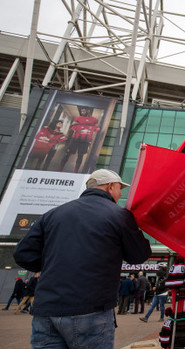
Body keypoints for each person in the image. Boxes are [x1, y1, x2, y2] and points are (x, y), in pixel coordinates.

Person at [13, 168, 152, 348]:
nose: (120, 194)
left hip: (46, 310)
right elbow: (138, 255)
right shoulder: (118, 215)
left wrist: (56, 264)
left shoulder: (53, 214)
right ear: (110, 187)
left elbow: (22, 254)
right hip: (91, 310)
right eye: (119, 189)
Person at [58, 106, 100, 173]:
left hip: (85, 141)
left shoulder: (94, 120)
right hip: (75, 139)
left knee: (80, 156)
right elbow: (72, 128)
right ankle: (59, 170)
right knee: (67, 154)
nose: (82, 112)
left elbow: (97, 128)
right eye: (81, 111)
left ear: (88, 110)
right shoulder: (78, 118)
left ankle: (75, 171)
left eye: (83, 111)